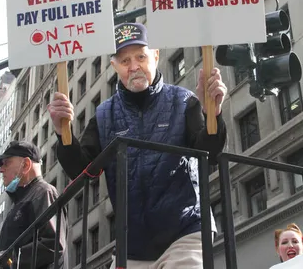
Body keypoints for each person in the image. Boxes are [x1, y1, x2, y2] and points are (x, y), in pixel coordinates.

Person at [48, 22, 228, 268]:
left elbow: (211, 153)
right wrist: (62, 134)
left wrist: (212, 115)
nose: (134, 67)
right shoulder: (103, 115)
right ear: (114, 67)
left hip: (185, 233)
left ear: (155, 55)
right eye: (124, 61)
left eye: (141, 57)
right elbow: (83, 170)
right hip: (131, 246)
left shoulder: (184, 101)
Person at [0, 141, 67, 269]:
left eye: (6, 163)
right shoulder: (19, 203)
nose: (1, 170)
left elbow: (53, 245)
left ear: (26, 165)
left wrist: (5, 261)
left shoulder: (43, 192)